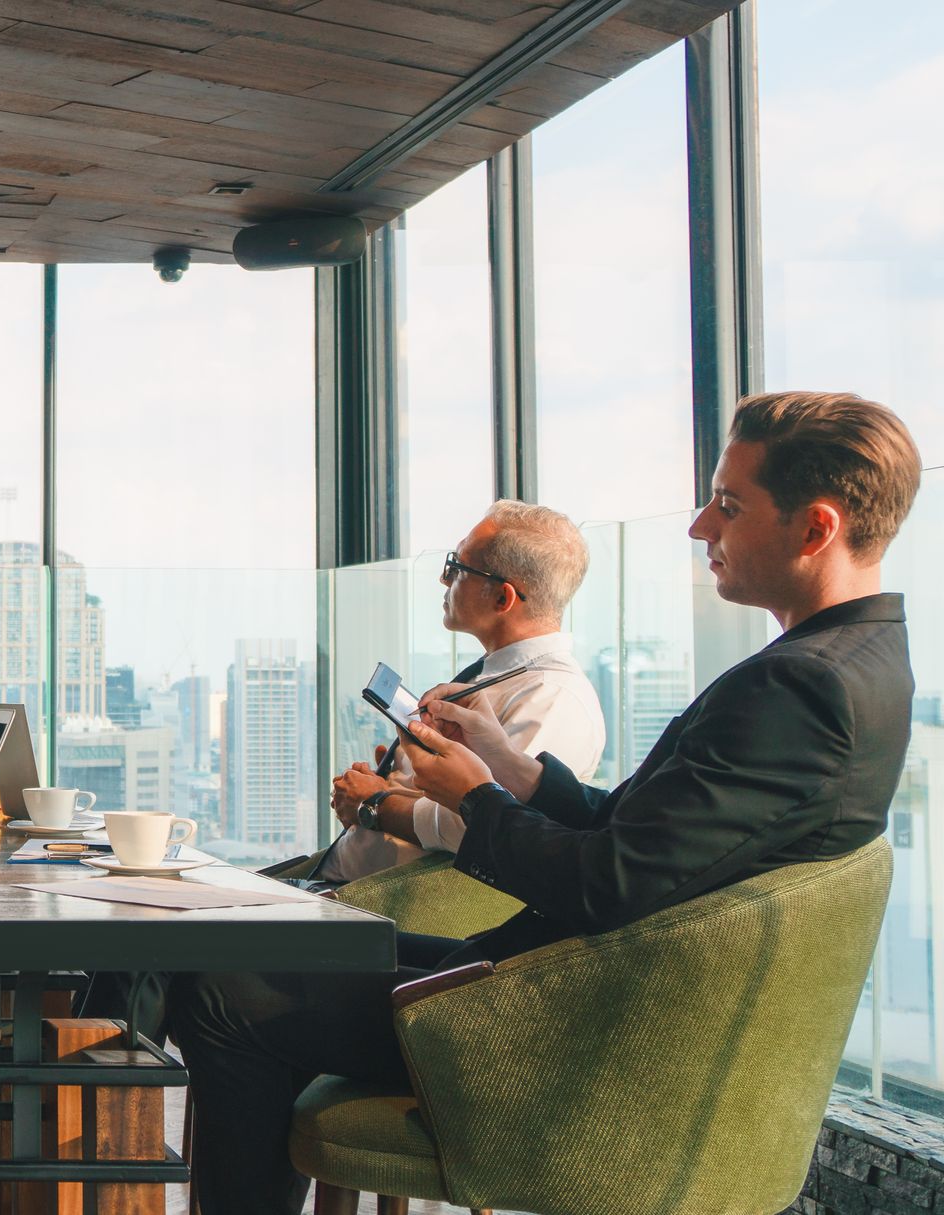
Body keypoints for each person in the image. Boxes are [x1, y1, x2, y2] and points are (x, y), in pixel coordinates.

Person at [171, 391, 921, 1214]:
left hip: (565, 1024)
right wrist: (513, 769)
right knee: (267, 956)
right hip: (580, 985)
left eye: (729, 504)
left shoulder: (795, 686)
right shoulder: (863, 664)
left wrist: (477, 796)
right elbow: (648, 836)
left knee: (223, 988)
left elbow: (604, 883)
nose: (700, 526)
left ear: (815, 528)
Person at [315, 500, 605, 883]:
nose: (444, 579)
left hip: (382, 911)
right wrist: (403, 778)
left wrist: (372, 803)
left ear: (503, 598)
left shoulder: (552, 698)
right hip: (344, 886)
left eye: (457, 567)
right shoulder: (500, 675)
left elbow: (483, 822)